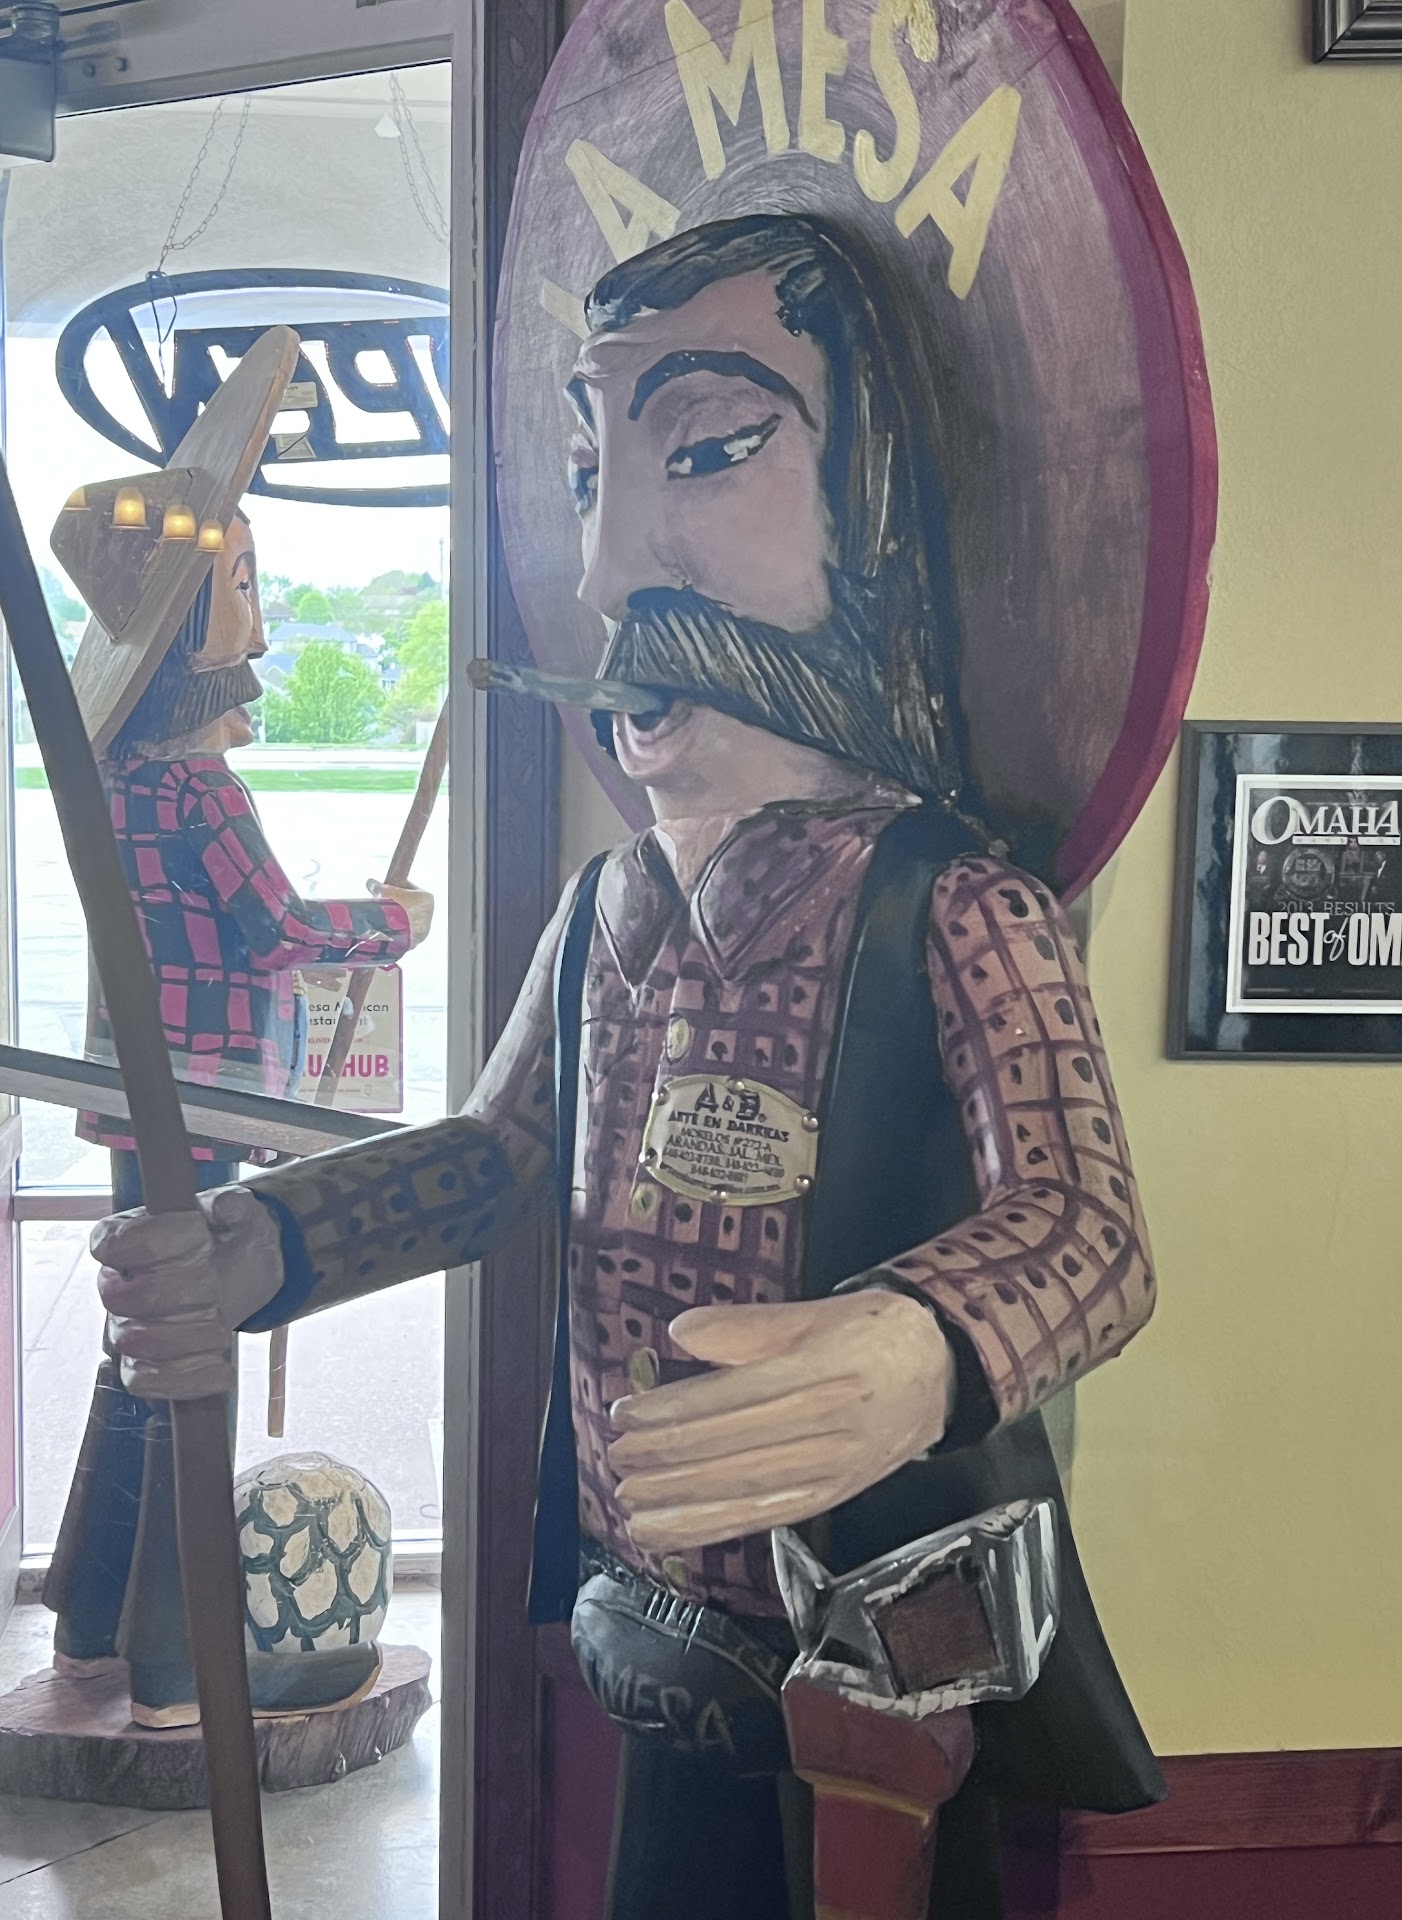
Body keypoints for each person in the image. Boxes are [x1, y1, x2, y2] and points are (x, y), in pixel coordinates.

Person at [95, 220, 1162, 1913]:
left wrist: (920, 1347)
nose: (605, 575)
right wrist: (268, 1243)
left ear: (877, 507)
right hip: (654, 1623)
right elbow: (501, 1152)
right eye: (592, 474)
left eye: (713, 448)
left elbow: (1090, 1229)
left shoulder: (957, 907)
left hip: (884, 1662)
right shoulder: (606, 908)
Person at [45, 331, 432, 1727]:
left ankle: (95, 1615)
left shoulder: (116, 773)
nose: (261, 625)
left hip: (144, 1095)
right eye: (246, 585)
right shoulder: (197, 789)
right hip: (199, 1097)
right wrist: (391, 921)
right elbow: (273, 927)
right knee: (184, 1349)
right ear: (192, 614)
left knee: (139, 1342)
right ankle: (171, 1659)